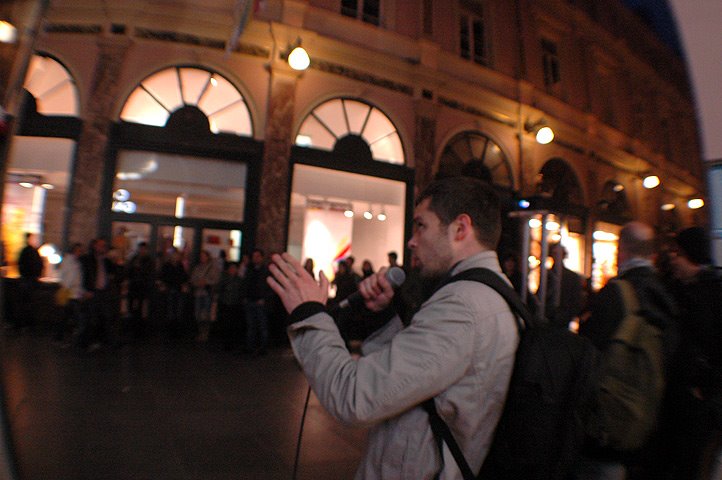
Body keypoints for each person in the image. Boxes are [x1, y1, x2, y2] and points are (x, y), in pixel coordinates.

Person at [267, 177, 519, 479]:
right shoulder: (490, 293)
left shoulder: (463, 306)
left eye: (421, 225)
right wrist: (385, 316)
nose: (412, 241)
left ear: (460, 229)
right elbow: (417, 381)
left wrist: (309, 313)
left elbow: (354, 396)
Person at [576, 221, 677, 479]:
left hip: (606, 428)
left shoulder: (615, 294)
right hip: (647, 421)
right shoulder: (668, 293)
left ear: (621, 250)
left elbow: (586, 353)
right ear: (652, 253)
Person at [650, 226, 722, 480]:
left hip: (695, 400)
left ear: (692, 255)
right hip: (674, 393)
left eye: (677, 253)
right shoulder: (674, 288)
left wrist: (703, 387)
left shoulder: (712, 293)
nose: (673, 258)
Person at [79, 238, 121, 351]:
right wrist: (85, 290)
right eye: (101, 245)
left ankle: (105, 341)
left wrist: (116, 263)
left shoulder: (106, 261)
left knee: (105, 317)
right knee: (91, 318)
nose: (103, 248)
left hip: (103, 292)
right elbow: (83, 275)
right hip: (92, 292)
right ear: (95, 246)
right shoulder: (88, 260)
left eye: (104, 246)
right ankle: (88, 342)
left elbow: (116, 274)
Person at [545, 243, 585, 330]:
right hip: (551, 316)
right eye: (554, 253)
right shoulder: (547, 275)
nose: (556, 256)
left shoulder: (572, 276)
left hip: (562, 316)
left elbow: (576, 299)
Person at [55, 242, 85, 346]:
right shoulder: (71, 262)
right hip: (71, 293)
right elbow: (70, 277)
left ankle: (60, 338)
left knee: (65, 317)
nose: (81, 252)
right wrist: (68, 287)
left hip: (72, 293)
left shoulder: (74, 262)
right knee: (74, 318)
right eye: (79, 250)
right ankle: (69, 338)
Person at [244, 248, 272, 355]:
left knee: (261, 326)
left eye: (257, 256)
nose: (255, 259)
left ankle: (262, 347)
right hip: (251, 300)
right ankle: (251, 346)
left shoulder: (266, 271)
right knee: (251, 325)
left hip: (260, 302)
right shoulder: (250, 270)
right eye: (254, 256)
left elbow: (269, 287)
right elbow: (246, 284)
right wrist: (246, 297)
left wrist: (264, 298)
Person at [213, 261, 246, 351]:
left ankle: (233, 343)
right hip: (225, 304)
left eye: (234, 268)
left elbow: (242, 292)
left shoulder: (239, 280)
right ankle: (225, 343)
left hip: (235, 305)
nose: (232, 270)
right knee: (225, 324)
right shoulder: (224, 279)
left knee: (233, 325)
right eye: (231, 268)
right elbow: (218, 289)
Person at [125, 241, 155, 338]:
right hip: (134, 288)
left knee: (142, 309)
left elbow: (150, 274)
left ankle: (141, 330)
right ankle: (134, 328)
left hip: (143, 288)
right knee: (133, 308)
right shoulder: (134, 259)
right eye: (140, 249)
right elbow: (128, 271)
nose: (141, 251)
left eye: (143, 249)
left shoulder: (148, 261)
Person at [158, 247, 189, 338]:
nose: (175, 257)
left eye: (176, 255)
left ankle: (175, 329)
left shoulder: (179, 265)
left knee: (177, 309)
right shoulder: (169, 266)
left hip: (176, 289)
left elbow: (184, 277)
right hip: (171, 289)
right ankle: (172, 330)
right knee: (171, 309)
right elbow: (163, 276)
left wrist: (183, 284)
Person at [15, 232, 44, 329]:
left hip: (28, 279)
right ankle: (28, 323)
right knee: (29, 303)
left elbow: (21, 265)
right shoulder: (31, 252)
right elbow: (38, 264)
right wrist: (36, 275)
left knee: (26, 303)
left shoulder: (27, 251)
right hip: (30, 279)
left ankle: (24, 323)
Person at [190, 250, 219, 342]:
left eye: (203, 256)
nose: (202, 258)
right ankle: (200, 332)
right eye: (201, 256)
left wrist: (207, 282)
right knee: (198, 313)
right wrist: (197, 283)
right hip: (198, 293)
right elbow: (192, 279)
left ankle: (205, 333)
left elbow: (216, 279)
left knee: (206, 313)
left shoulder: (212, 268)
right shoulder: (197, 268)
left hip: (207, 293)